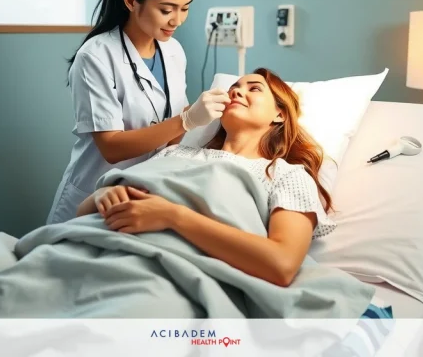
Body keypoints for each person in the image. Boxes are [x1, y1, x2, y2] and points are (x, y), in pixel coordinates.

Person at [76, 68, 337, 287]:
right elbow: (82, 213)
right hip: (99, 253)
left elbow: (282, 265)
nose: (236, 92)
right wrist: (103, 195)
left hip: (167, 276)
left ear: (279, 114)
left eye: (254, 89)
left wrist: (172, 216)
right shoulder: (175, 152)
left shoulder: (286, 174)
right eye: (234, 88)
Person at [48, 0, 231, 224]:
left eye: (185, 8)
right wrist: (186, 120)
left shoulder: (173, 51)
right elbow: (112, 148)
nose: (178, 20)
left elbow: (172, 136)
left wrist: (197, 123)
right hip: (94, 195)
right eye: (166, 10)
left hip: (143, 194)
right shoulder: (96, 56)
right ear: (132, 1)